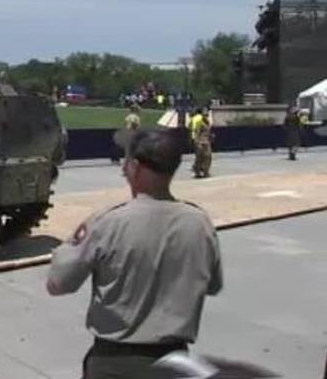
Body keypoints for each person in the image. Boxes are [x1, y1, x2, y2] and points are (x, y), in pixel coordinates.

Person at [46, 129, 223, 379]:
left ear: (135, 167)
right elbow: (213, 285)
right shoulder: (200, 224)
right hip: (174, 365)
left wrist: (67, 248)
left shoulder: (106, 222)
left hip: (114, 365)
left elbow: (57, 284)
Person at [191, 109, 213, 178]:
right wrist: (197, 142)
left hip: (206, 142)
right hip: (200, 142)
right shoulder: (199, 122)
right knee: (199, 158)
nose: (206, 116)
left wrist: (211, 136)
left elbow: (208, 132)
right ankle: (197, 173)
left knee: (208, 157)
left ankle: (206, 172)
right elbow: (196, 133)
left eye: (207, 115)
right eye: (205, 115)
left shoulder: (208, 122)